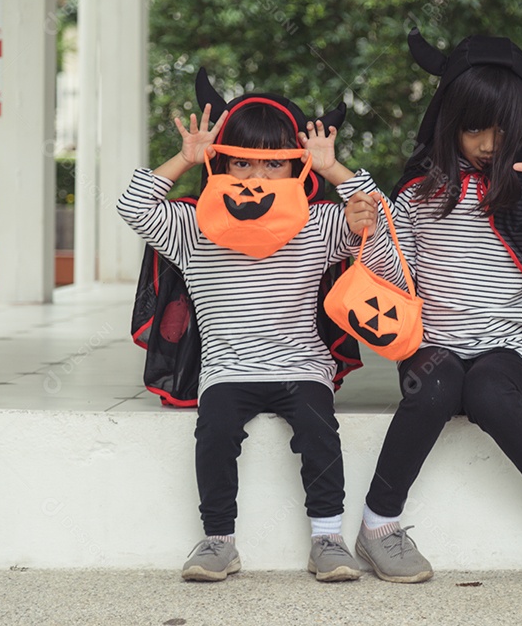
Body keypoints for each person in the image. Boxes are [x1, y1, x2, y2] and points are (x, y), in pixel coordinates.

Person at [340, 28, 522, 584]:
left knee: (488, 390)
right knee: (433, 388)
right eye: (473, 127)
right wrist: (375, 225)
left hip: (506, 342)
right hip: (432, 340)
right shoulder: (419, 193)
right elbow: (399, 276)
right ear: (448, 122)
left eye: (502, 128)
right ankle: (377, 526)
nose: (488, 142)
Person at [117, 70, 367, 583]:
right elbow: (134, 206)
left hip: (302, 367)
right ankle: (218, 541)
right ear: (221, 163)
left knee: (320, 435)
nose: (255, 175)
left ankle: (328, 538)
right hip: (228, 369)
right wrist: (186, 156)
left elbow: (379, 219)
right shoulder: (193, 228)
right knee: (213, 434)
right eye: (241, 161)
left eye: (273, 164)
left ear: (298, 167)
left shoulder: (317, 224)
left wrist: (335, 167)